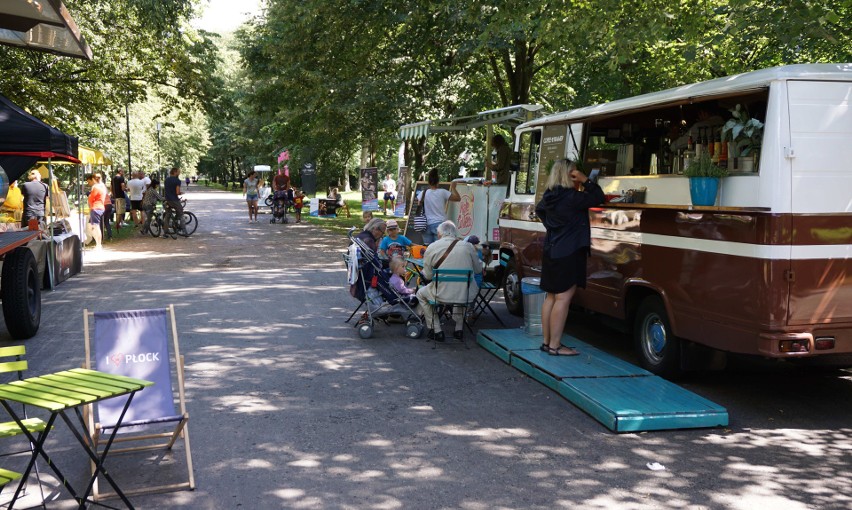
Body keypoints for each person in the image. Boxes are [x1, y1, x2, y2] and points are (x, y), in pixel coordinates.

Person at [535, 159, 604, 356]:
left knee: (550, 296)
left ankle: (547, 342)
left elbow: (539, 210)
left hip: (551, 249)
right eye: (574, 171)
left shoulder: (549, 195)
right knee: (563, 298)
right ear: (569, 174)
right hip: (569, 251)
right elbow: (599, 196)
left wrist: (552, 227)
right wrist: (585, 180)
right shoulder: (573, 197)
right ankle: (556, 346)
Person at [416, 221, 483, 341]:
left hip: (440, 294)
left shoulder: (432, 247)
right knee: (462, 288)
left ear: (439, 234)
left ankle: (436, 330)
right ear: (454, 233)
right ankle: (459, 329)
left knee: (420, 294)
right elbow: (478, 270)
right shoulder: (468, 246)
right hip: (465, 295)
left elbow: (428, 275)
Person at [415, 169, 460, 244]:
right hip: (440, 225)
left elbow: (419, 205)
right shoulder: (443, 192)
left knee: (428, 249)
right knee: (439, 248)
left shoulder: (423, 193)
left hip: (426, 225)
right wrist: (454, 188)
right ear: (438, 181)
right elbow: (458, 198)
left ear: (428, 181)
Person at [84, 172, 107, 249]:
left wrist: (89, 197)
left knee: (96, 227)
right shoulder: (102, 186)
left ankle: (98, 244)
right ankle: (98, 243)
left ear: (93, 179)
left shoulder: (95, 187)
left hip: (95, 208)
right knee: (92, 226)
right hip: (100, 207)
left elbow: (91, 198)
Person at [164, 167, 185, 235]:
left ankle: (165, 232)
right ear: (175, 172)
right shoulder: (177, 181)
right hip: (174, 200)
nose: (179, 173)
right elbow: (177, 192)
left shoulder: (166, 180)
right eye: (178, 172)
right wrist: (181, 193)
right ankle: (183, 230)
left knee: (168, 215)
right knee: (181, 213)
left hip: (167, 200)